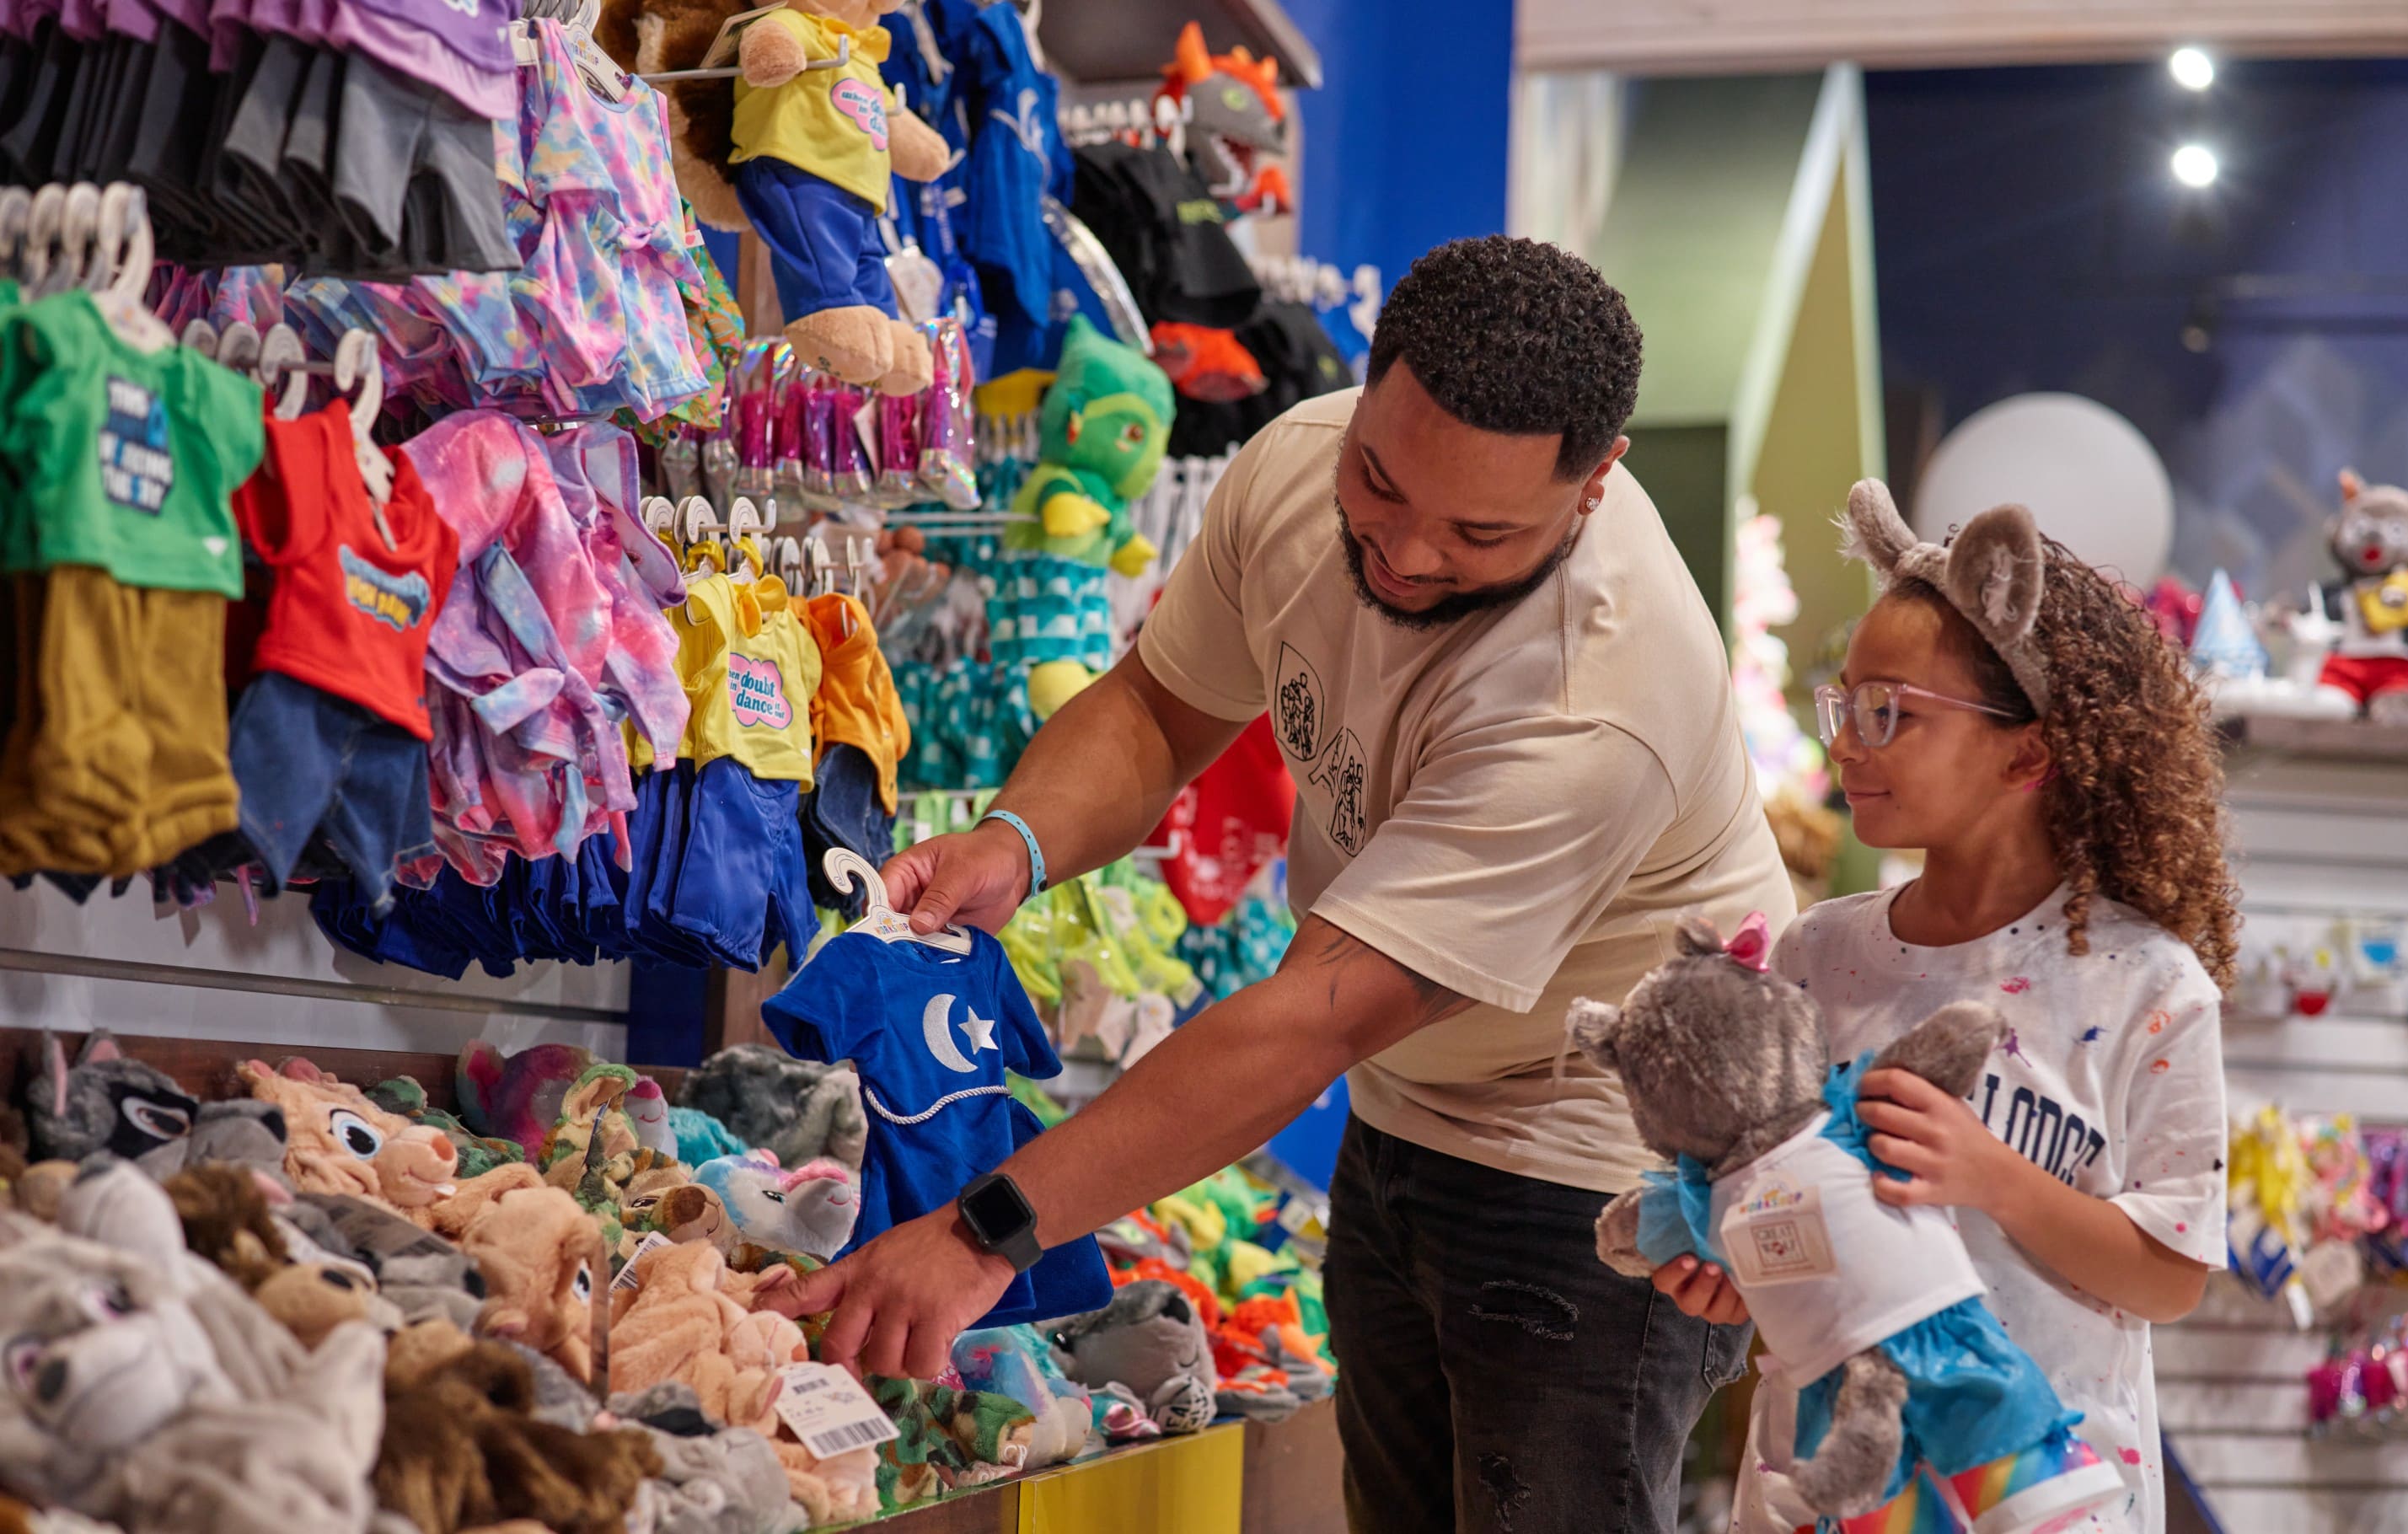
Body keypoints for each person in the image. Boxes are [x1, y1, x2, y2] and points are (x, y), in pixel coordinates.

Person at [764, 235, 1795, 1531]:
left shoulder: (1597, 702)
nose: (1407, 555)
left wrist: (985, 1237)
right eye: (1383, 480)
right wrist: (1015, 842)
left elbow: (1318, 1016)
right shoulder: (1300, 468)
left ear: (1595, 488)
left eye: (1481, 532)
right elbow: (1155, 707)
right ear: (1361, 406)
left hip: (1606, 1166)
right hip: (1413, 1110)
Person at [1721, 483, 2234, 1533]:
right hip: (1830, 1481)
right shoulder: (1818, 955)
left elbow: (2174, 1275)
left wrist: (1994, 1177)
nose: (1849, 745)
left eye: (1889, 713)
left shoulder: (2150, 985)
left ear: (2029, 750)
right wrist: (1728, 1268)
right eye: (1845, 704)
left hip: (2046, 1491)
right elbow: (1776, 1209)